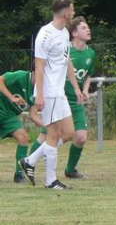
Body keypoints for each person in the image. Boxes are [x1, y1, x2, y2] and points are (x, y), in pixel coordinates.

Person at [20, 0, 84, 190]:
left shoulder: (64, 32)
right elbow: (39, 66)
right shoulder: (45, 34)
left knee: (70, 132)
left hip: (60, 92)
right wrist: (39, 95)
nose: (73, 13)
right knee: (53, 134)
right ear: (65, 12)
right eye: (72, 10)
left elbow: (66, 62)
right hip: (49, 92)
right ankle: (51, 180)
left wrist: (75, 87)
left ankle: (30, 161)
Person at [29, 17, 96, 179]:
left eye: (88, 28)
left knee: (80, 137)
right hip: (58, 96)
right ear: (74, 33)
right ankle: (28, 166)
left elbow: (88, 75)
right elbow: (41, 67)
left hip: (75, 99)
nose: (88, 30)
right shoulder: (64, 48)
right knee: (47, 135)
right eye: (83, 28)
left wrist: (84, 89)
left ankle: (69, 170)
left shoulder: (90, 53)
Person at [0, 70, 42, 182]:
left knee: (23, 137)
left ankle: (19, 175)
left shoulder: (38, 90)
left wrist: (46, 125)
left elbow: (33, 115)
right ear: (35, 71)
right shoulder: (20, 76)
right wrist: (11, 97)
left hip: (10, 116)